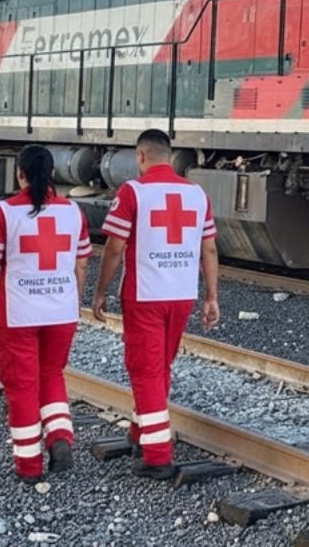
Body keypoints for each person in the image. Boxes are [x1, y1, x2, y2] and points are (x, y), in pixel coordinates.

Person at [91, 128, 221, 480]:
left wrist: (99, 290)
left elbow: (115, 248)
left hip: (145, 294)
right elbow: (209, 249)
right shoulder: (196, 193)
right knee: (160, 365)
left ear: (140, 156)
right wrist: (211, 297)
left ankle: (158, 455)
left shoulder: (133, 191)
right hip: (182, 295)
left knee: (144, 369)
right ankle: (140, 433)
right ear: (170, 155)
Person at [0, 145, 91, 481]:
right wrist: (72, 302)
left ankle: (29, 465)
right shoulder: (73, 212)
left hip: (18, 313)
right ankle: (61, 437)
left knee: (21, 385)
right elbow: (82, 264)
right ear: (52, 173)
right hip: (61, 313)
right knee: (51, 374)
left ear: (19, 173)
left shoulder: (5, 212)